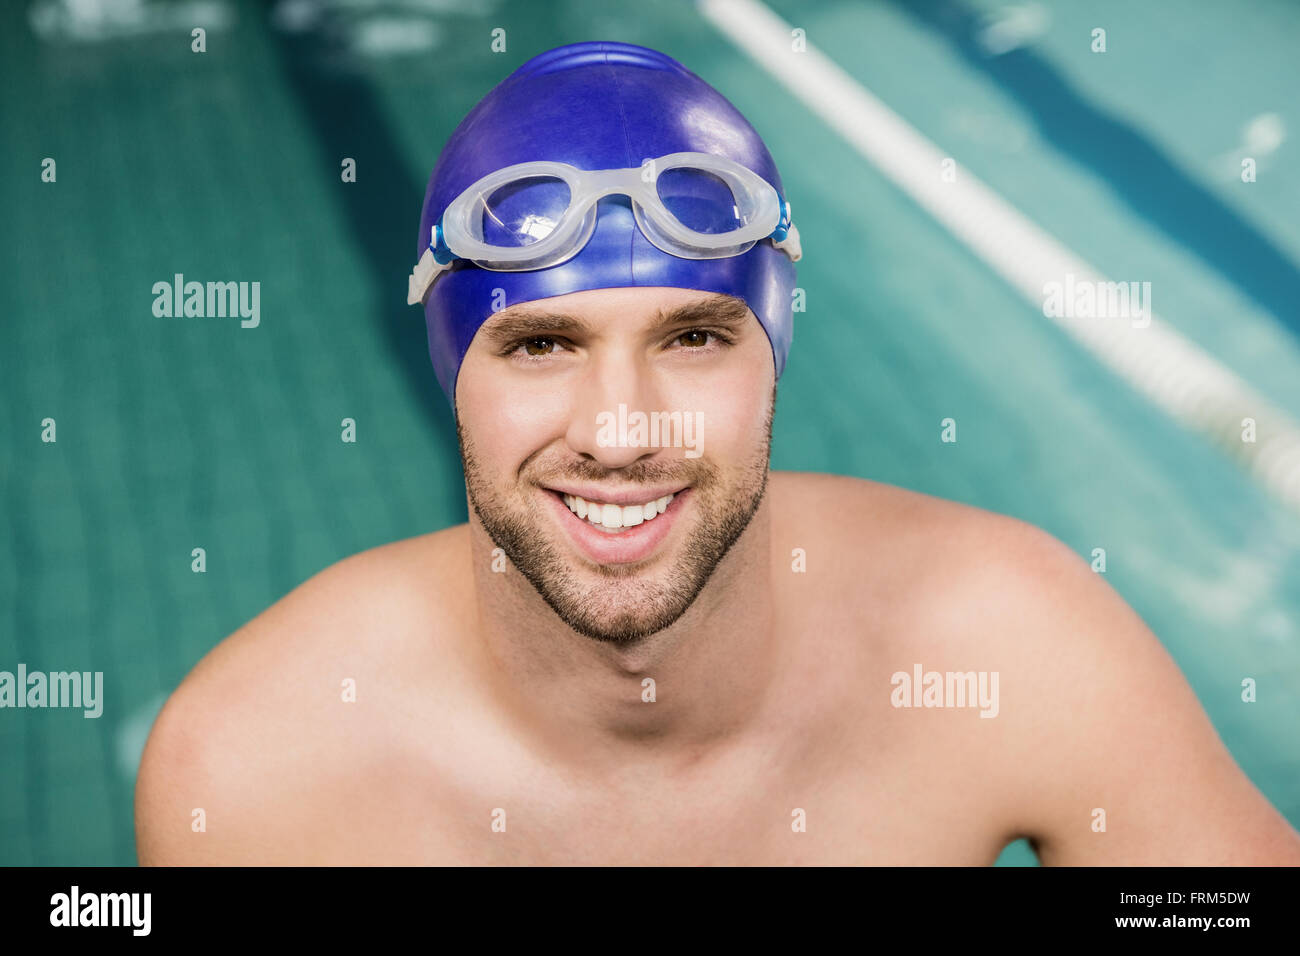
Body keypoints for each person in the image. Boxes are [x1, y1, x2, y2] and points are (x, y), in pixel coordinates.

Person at [135, 41, 1300, 865]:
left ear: (774, 353)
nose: (619, 429)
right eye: (540, 343)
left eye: (693, 336)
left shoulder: (1016, 640)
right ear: (454, 373)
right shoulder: (255, 769)